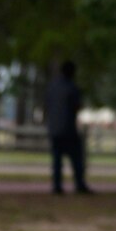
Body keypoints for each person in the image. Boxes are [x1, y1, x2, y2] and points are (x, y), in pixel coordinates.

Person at [45, 61, 91, 195]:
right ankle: (79, 183)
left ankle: (57, 186)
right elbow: (76, 106)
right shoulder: (71, 87)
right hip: (68, 129)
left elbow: (47, 105)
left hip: (54, 129)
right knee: (77, 158)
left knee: (57, 160)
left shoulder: (52, 87)